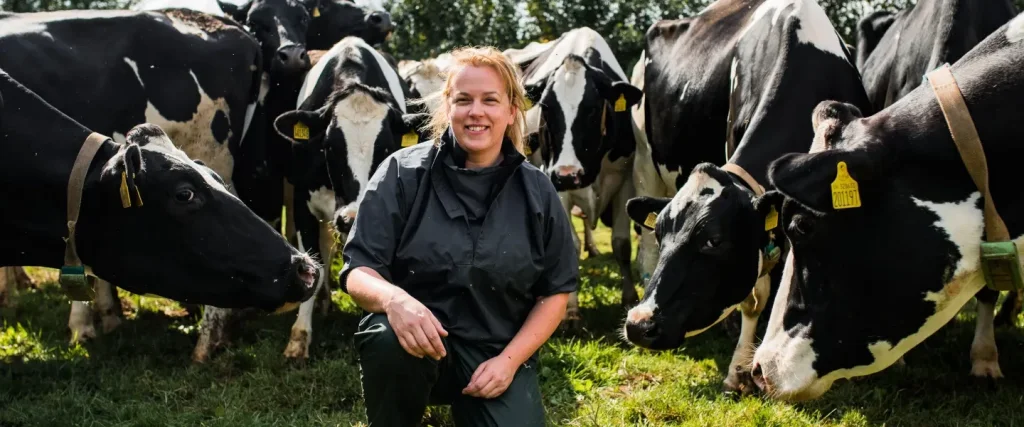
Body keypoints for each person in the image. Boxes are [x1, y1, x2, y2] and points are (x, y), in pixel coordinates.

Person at [338, 45, 579, 427]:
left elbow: (556, 292)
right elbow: (358, 271)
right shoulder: (401, 173)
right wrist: (396, 299)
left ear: (512, 110)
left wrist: (509, 362)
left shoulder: (537, 191)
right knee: (385, 334)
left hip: (496, 353)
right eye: (463, 99)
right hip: (419, 344)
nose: (476, 112)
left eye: (490, 100)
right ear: (447, 106)